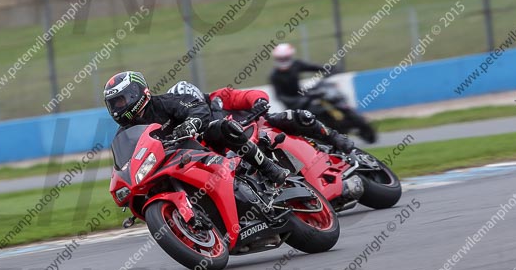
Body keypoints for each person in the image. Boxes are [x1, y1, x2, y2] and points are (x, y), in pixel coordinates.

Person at [104, 71, 290, 185]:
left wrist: (191, 123)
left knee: (223, 127)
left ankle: (269, 168)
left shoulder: (164, 103)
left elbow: (197, 108)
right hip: (172, 163)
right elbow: (125, 163)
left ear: (135, 94)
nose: (117, 108)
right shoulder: (125, 134)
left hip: (201, 145)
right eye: (113, 104)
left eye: (120, 101)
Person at [167, 82, 354, 154]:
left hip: (261, 127)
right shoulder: (194, 127)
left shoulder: (219, 98)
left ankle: (335, 137)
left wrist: (258, 101)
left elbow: (248, 95)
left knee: (295, 116)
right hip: (240, 152)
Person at [269, 43, 325, 110]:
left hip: (303, 96)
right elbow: (279, 96)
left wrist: (328, 68)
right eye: (280, 58)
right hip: (293, 107)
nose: (283, 60)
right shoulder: (274, 75)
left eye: (285, 58)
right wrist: (299, 100)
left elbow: (313, 67)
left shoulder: (296, 64)